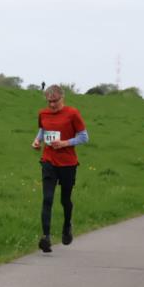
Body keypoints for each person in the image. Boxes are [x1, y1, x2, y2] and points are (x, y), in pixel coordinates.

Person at [31, 85, 89, 252]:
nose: (52, 105)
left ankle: (66, 227)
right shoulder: (43, 113)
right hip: (48, 160)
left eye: (55, 101)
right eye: (49, 102)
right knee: (47, 198)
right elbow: (43, 130)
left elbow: (84, 137)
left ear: (62, 98)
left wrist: (65, 143)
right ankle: (46, 237)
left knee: (65, 200)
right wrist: (37, 141)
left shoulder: (72, 113)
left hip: (68, 163)